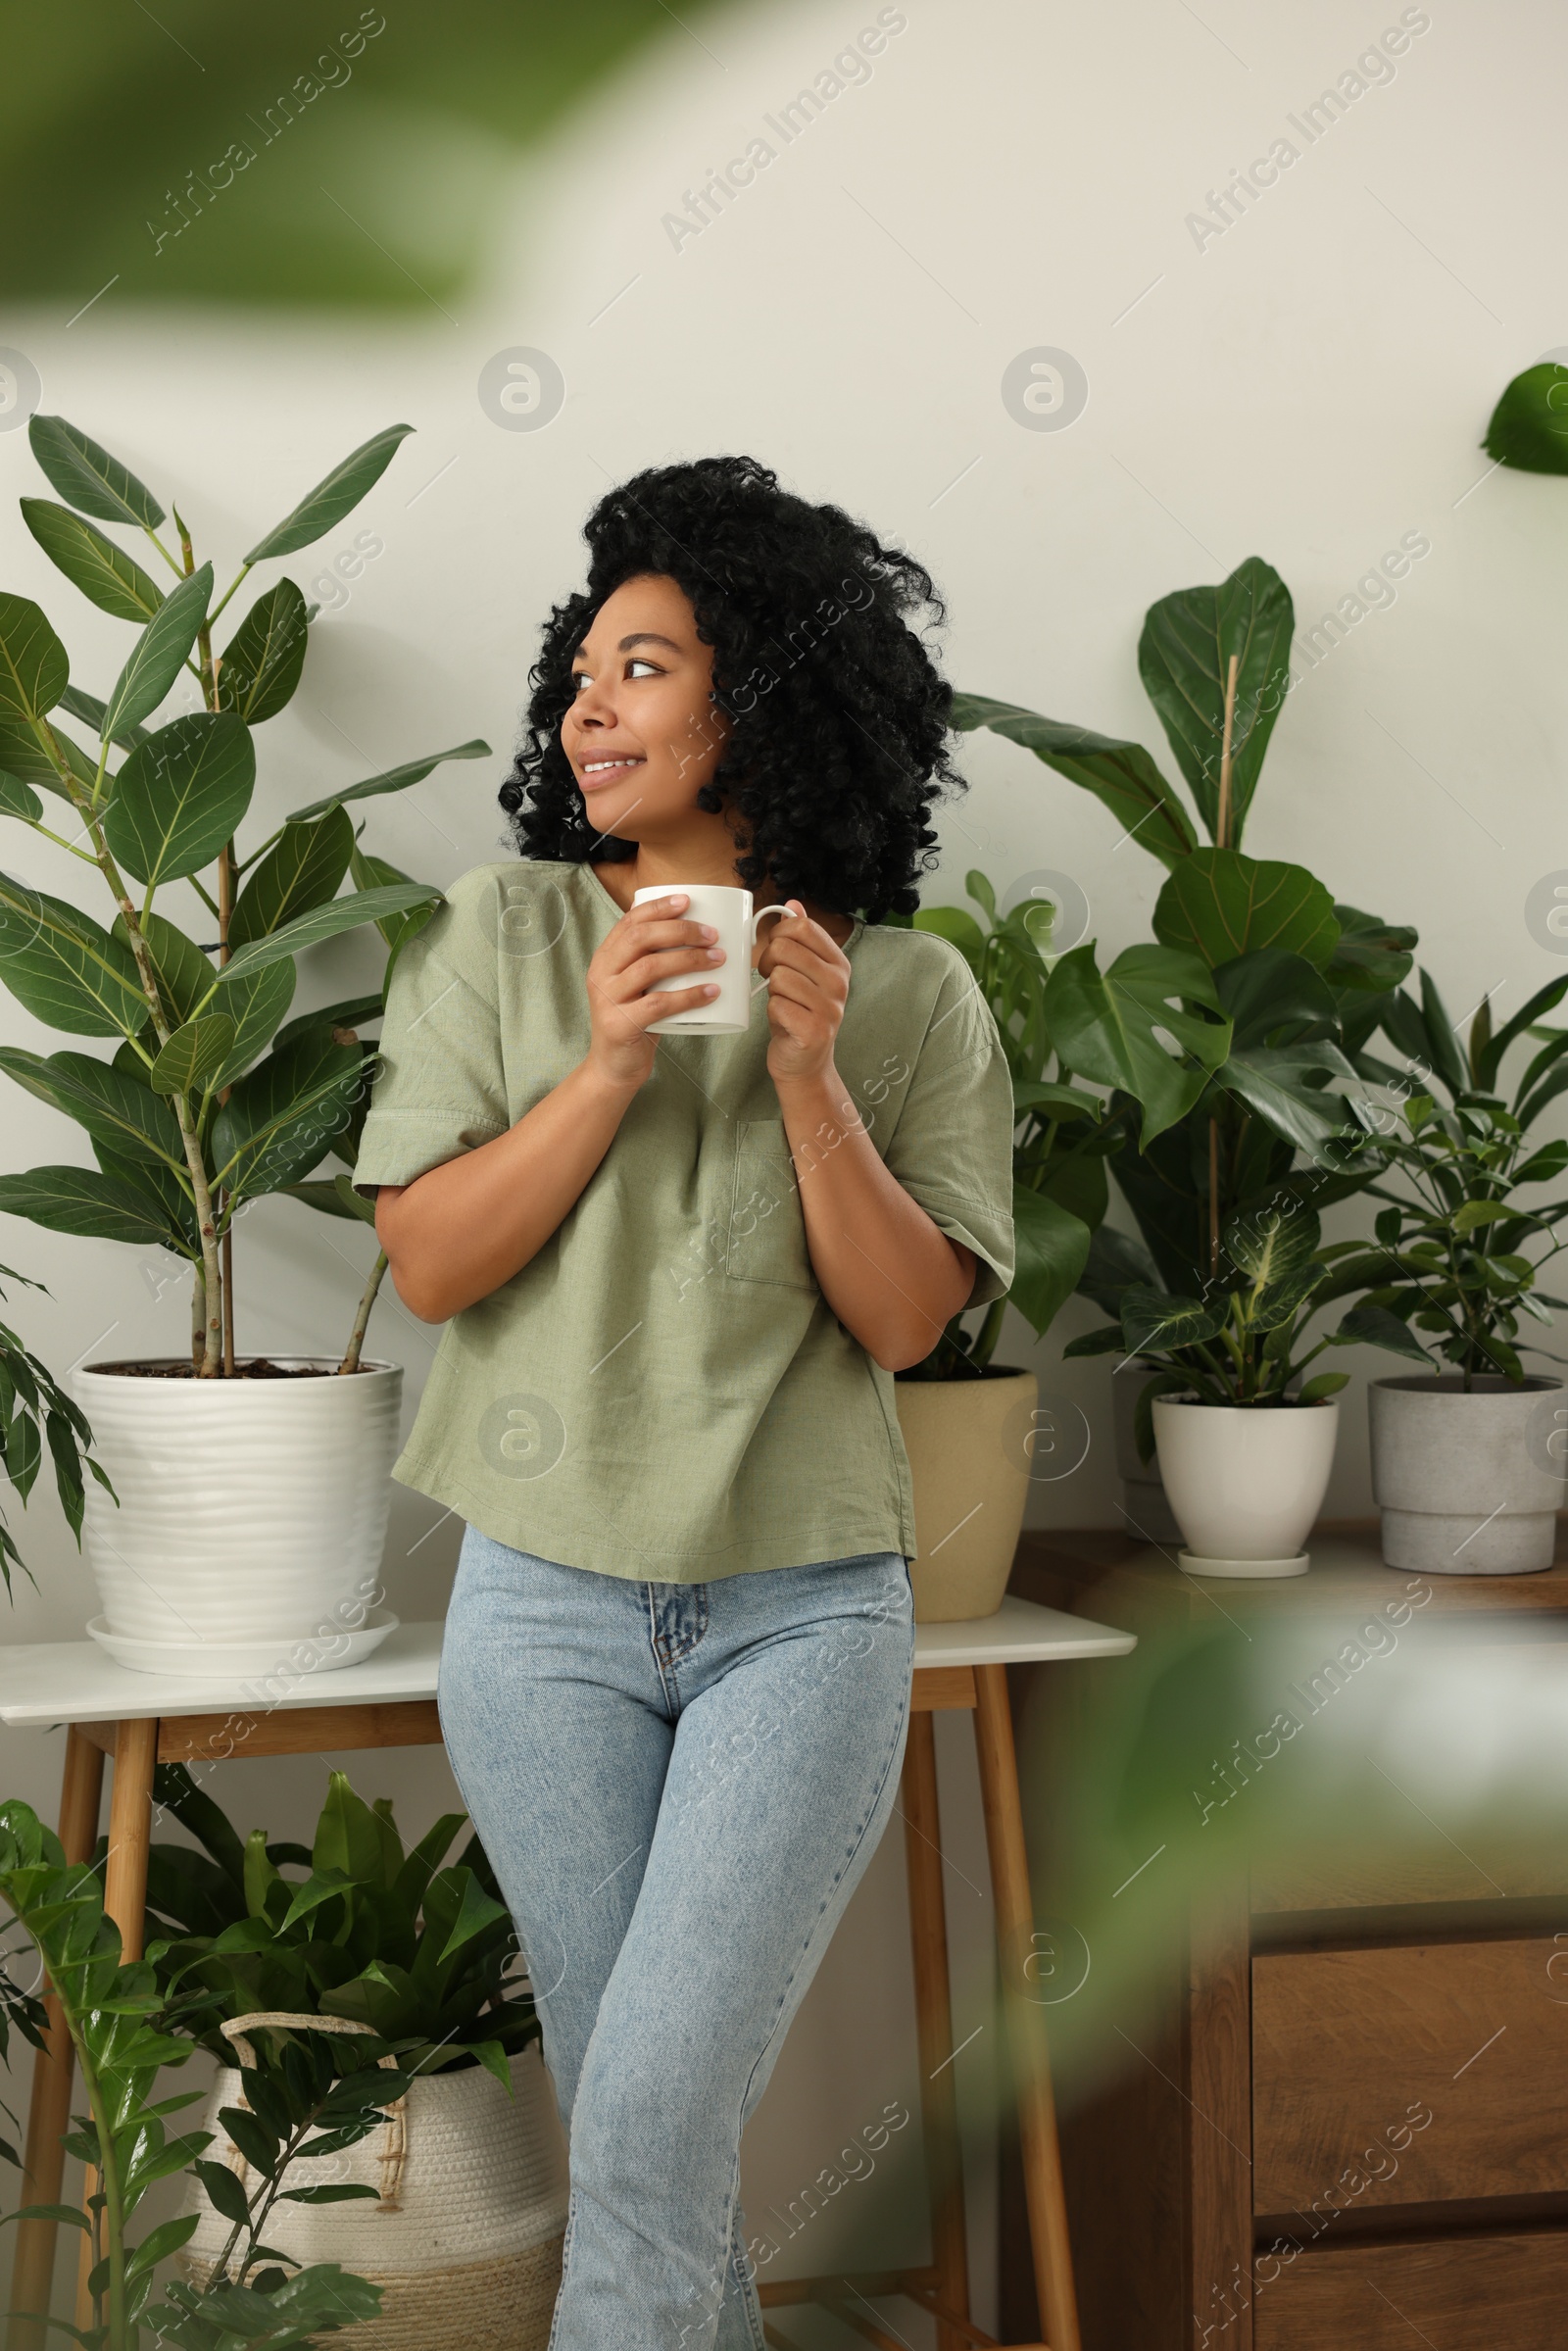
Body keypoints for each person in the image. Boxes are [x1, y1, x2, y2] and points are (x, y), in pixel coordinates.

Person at [356, 455, 1015, 2350]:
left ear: (771, 693)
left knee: (645, 2124)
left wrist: (808, 1072)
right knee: (654, 2144)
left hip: (802, 1603)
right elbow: (430, 1264)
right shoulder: (503, 935)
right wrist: (605, 1068)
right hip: (541, 1606)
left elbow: (903, 1327)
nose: (586, 699)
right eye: (583, 663)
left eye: (643, 664)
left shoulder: (906, 994)